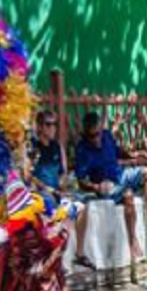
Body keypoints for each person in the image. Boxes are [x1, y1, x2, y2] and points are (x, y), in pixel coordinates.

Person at [74, 112, 147, 277]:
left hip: (120, 176)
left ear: (101, 129)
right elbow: (81, 181)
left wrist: (134, 154)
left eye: (97, 134)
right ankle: (132, 242)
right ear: (86, 134)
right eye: (91, 136)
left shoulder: (107, 136)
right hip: (107, 187)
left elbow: (117, 151)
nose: (95, 139)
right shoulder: (82, 149)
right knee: (128, 196)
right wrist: (96, 187)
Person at [28, 109, 94, 271]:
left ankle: (79, 254)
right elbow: (28, 175)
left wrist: (64, 184)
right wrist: (46, 187)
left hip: (56, 194)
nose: (53, 128)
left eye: (55, 124)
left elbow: (63, 173)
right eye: (48, 124)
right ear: (40, 127)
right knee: (50, 205)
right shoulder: (33, 148)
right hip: (40, 195)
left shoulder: (57, 147)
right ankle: (53, 258)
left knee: (81, 205)